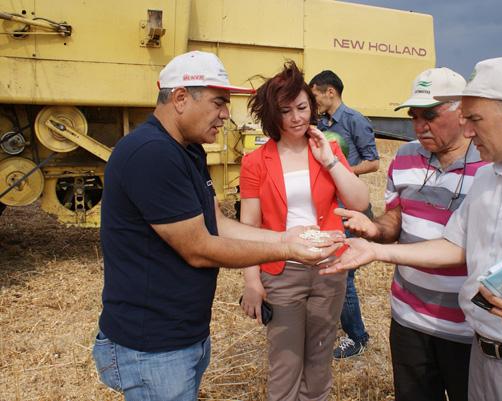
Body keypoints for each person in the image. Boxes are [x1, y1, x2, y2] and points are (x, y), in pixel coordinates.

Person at [322, 57, 502, 401]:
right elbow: (454, 246)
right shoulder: (488, 177)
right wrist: (377, 249)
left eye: (475, 120)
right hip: (482, 359)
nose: (468, 131)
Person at [92, 51, 341, 401]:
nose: (226, 113)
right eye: (218, 103)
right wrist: (285, 248)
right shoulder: (150, 153)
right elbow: (198, 248)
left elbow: (218, 223)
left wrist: (286, 236)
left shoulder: (187, 150)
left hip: (182, 335)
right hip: (152, 347)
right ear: (180, 98)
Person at [336, 67, 487, 401]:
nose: (419, 126)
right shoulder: (405, 158)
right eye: (414, 116)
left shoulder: (491, 165)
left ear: (462, 110)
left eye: (430, 115)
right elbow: (397, 217)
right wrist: (375, 229)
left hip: (468, 328)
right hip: (408, 319)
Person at [239, 61, 369, 401]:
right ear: (272, 115)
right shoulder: (255, 162)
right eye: (286, 110)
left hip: (328, 267)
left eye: (302, 107)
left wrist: (329, 159)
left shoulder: (328, 149)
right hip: (282, 271)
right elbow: (249, 227)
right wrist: (252, 281)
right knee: (285, 362)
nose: (297, 117)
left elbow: (359, 201)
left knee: (319, 360)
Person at [309, 70, 380, 358]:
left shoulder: (355, 120)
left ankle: (357, 337)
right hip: (327, 208)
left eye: (315, 96)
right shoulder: (320, 123)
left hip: (349, 209)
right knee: (330, 272)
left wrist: (340, 170)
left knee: (344, 275)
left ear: (330, 93)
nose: (313, 102)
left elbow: (373, 162)